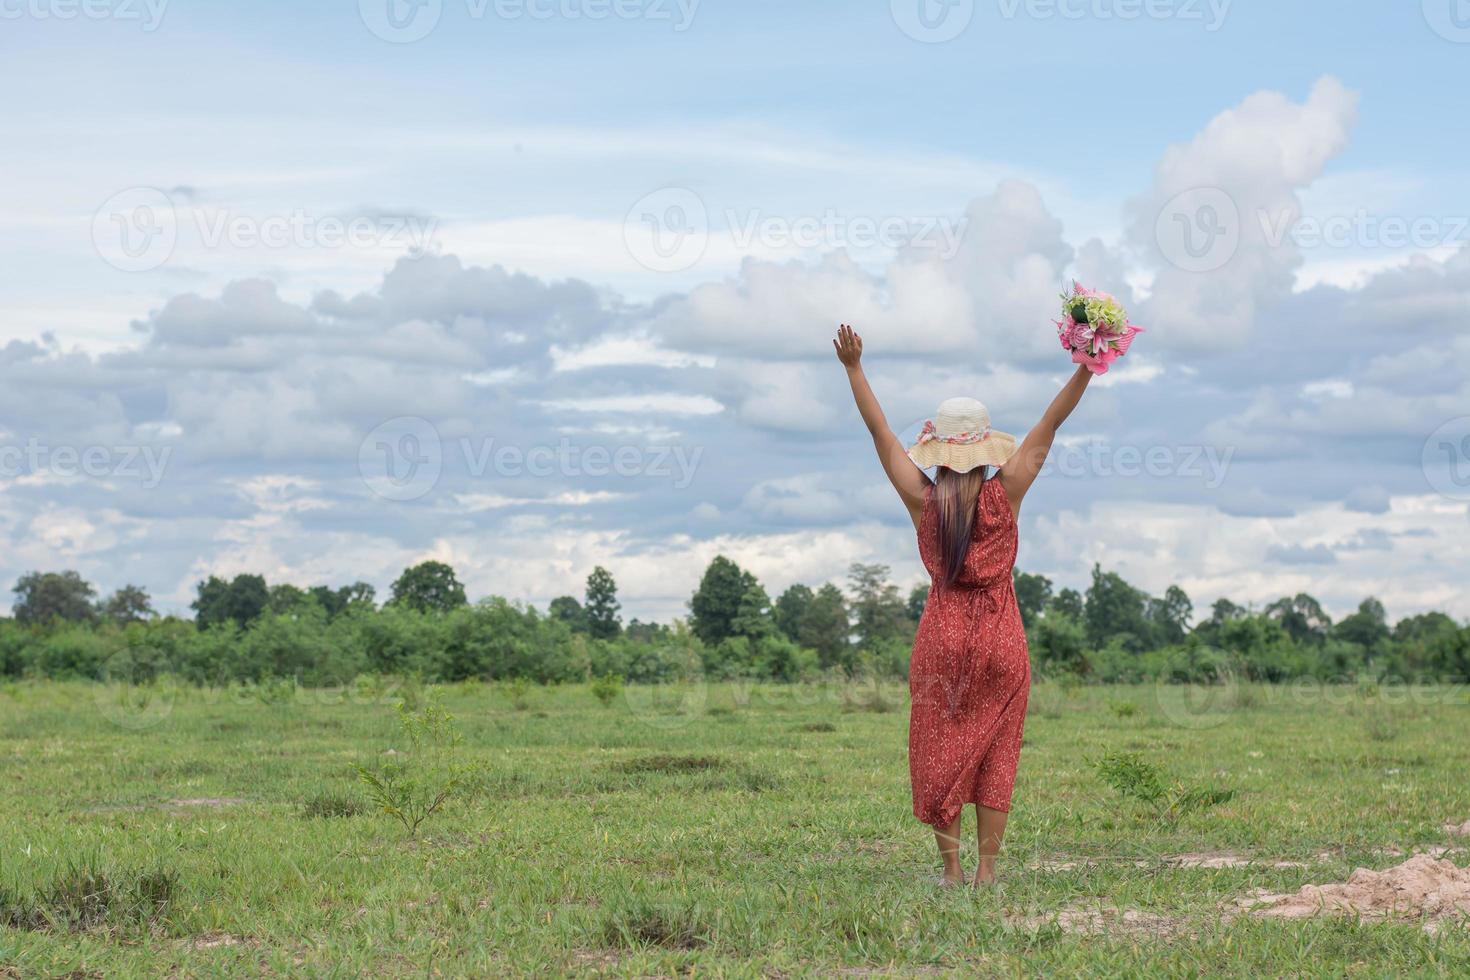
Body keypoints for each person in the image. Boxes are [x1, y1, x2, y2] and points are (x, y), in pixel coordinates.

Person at [832, 323, 1093, 887]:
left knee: (940, 747)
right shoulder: (1009, 490)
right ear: (983, 446)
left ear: (939, 448)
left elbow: (878, 432)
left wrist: (854, 368)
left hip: (943, 637)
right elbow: (1052, 421)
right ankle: (988, 873)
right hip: (1002, 638)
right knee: (997, 749)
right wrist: (1088, 363)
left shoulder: (922, 500)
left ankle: (950, 872)